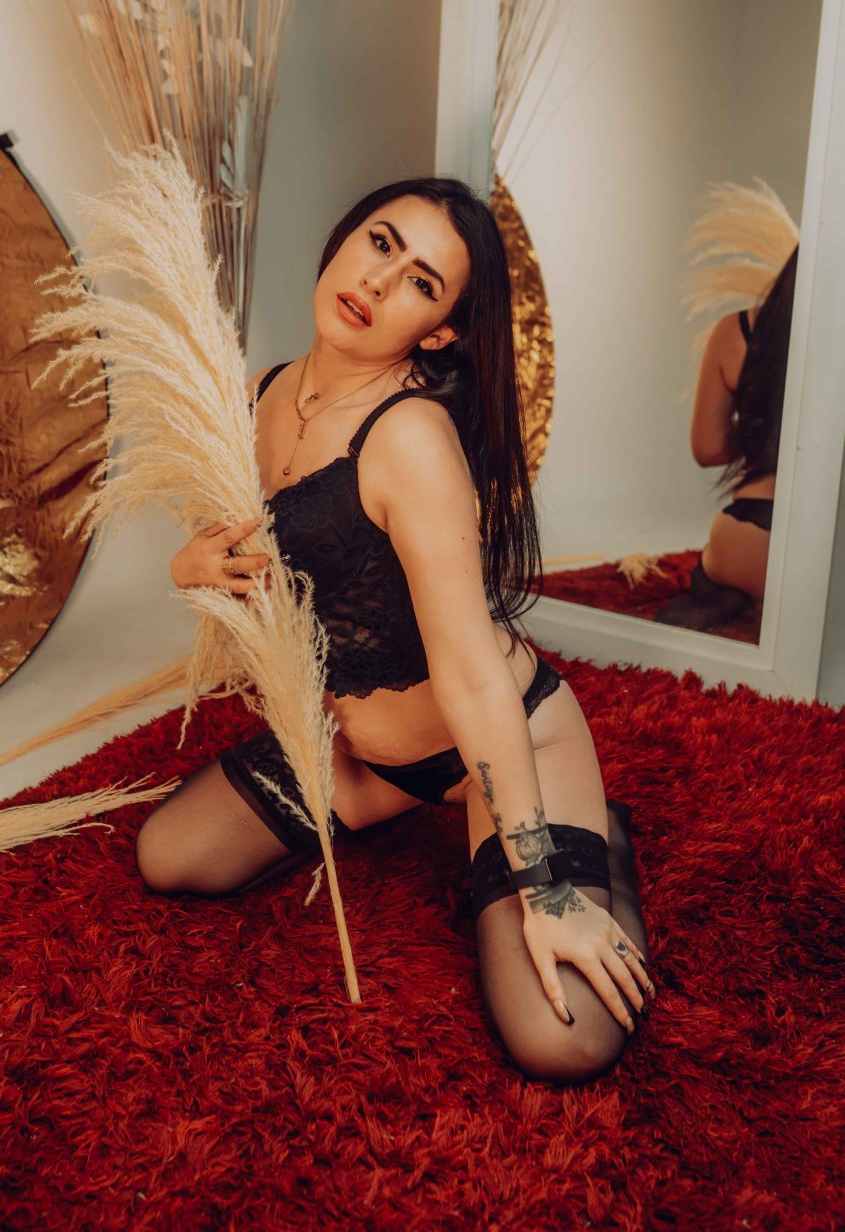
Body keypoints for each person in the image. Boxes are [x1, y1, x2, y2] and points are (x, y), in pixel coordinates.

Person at [134, 175, 654, 1084]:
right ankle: (420, 814)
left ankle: (593, 834)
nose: (378, 281)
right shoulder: (259, 395)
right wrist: (189, 568)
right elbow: (245, 565)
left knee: (562, 1039)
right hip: (365, 757)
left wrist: (546, 891)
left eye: (421, 282)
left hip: (500, 739)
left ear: (439, 330)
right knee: (169, 856)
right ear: (345, 238)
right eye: (381, 242)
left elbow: (473, 679)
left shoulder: (409, 438)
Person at [656, 248, 797, 632]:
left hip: (742, 537)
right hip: (820, 551)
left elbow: (709, 447)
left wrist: (761, 430)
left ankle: (730, 594)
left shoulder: (738, 331)